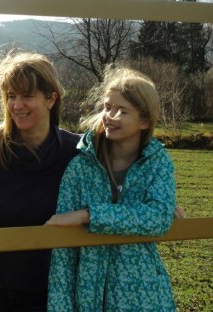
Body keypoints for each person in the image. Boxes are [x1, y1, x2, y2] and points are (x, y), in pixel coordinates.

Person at [46, 66, 177, 311]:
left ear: (145, 121)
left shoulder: (157, 162)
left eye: (122, 111)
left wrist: (89, 215)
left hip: (144, 297)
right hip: (89, 298)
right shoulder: (80, 167)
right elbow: (62, 249)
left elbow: (158, 218)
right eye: (107, 107)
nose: (110, 116)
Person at [0, 51, 80, 312]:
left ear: (51, 99)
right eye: (11, 96)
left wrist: (157, 205)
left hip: (51, 289)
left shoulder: (77, 151)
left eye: (27, 95)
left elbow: (113, 189)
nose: (17, 105)